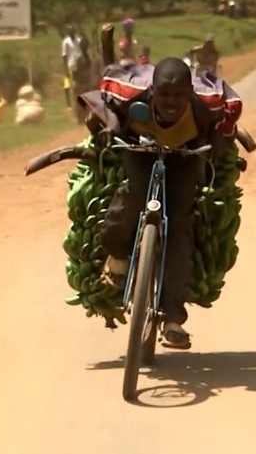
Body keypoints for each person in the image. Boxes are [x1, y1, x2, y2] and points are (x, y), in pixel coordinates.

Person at [78, 57, 243, 350]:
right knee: (134, 196)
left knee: (179, 223)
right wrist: (114, 122)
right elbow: (100, 95)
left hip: (187, 152)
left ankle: (173, 318)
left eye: (179, 95)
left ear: (190, 93)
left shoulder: (210, 99)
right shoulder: (127, 90)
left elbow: (233, 106)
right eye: (164, 94)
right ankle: (117, 257)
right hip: (138, 146)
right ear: (152, 89)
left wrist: (222, 137)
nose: (171, 102)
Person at [61, 25, 84, 108]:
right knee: (69, 84)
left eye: (72, 31)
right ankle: (70, 103)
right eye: (69, 31)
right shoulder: (65, 42)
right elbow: (64, 55)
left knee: (79, 83)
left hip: (80, 64)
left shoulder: (79, 40)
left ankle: (79, 101)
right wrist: (65, 69)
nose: (71, 32)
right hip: (70, 65)